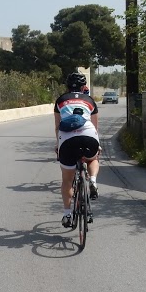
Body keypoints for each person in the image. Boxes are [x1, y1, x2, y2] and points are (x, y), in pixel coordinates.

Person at [54, 72, 101, 228]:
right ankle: (92, 180)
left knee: (67, 181)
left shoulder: (60, 100)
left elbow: (57, 127)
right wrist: (97, 145)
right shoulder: (90, 100)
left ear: (67, 86)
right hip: (88, 135)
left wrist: (58, 145)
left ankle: (67, 214)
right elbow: (95, 126)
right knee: (93, 158)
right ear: (83, 87)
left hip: (67, 139)